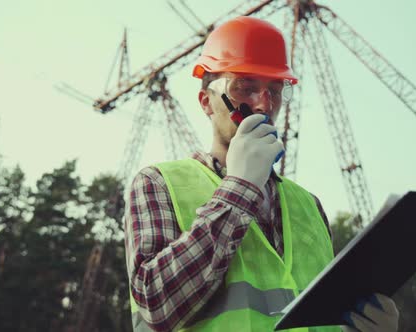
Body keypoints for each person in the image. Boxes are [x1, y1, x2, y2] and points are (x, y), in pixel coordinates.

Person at [124, 16, 400, 332]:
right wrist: (240, 187)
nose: (263, 104)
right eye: (244, 87)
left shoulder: (309, 205)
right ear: (206, 102)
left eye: (275, 90)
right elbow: (156, 305)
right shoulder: (158, 184)